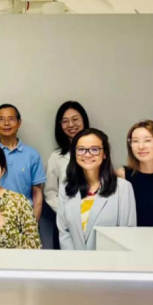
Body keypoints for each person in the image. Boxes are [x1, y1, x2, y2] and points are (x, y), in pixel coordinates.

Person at [57, 128, 136, 251]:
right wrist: (74, 260)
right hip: (74, 261)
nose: (87, 154)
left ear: (104, 154)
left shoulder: (123, 188)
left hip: (110, 260)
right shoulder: (66, 187)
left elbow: (127, 233)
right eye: (81, 149)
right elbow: (64, 231)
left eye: (94, 149)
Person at [43, 101, 90, 249]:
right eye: (65, 121)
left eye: (75, 119)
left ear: (84, 121)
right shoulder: (56, 157)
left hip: (94, 220)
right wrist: (66, 214)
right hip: (65, 223)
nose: (71, 125)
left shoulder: (97, 153)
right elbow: (50, 192)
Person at [116, 120, 153, 227]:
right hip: (129, 236)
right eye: (135, 141)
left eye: (147, 140)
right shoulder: (122, 175)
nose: (141, 146)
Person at [0, 104, 46, 221]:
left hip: (24, 217)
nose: (6, 123)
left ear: (19, 123)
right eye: (1, 119)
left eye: (11, 119)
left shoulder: (32, 155)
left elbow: (37, 193)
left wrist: (33, 224)